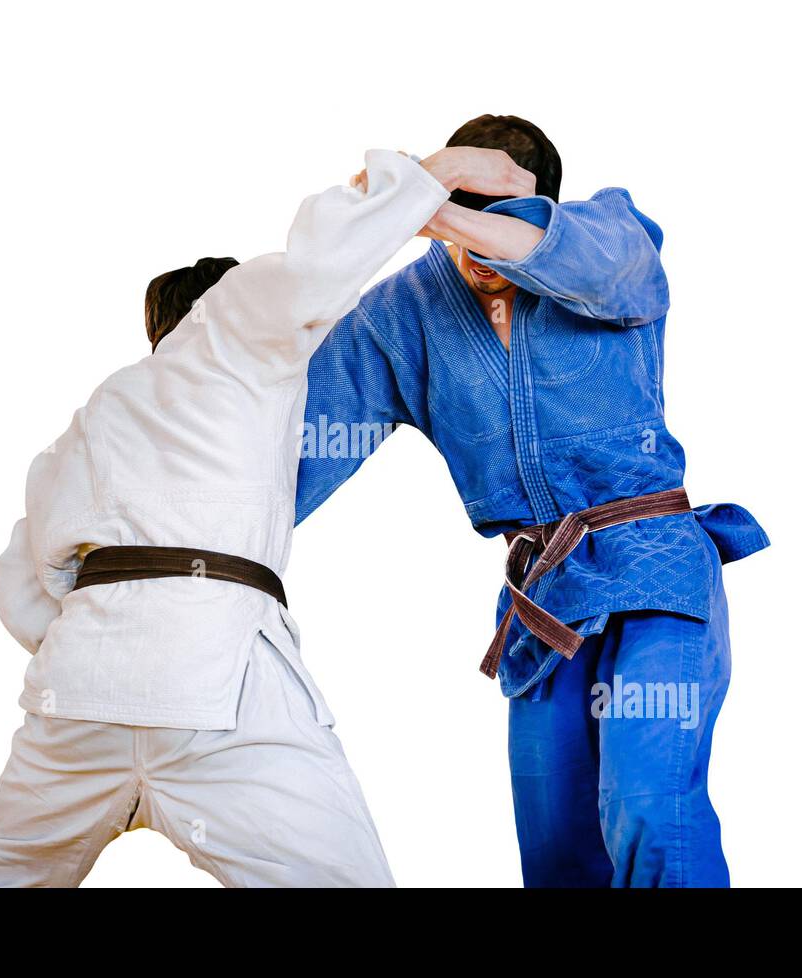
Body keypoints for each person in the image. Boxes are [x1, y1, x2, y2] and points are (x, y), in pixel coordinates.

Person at [0, 145, 533, 887]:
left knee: (2, 877)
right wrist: (438, 173)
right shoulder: (235, 332)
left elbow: (21, 585)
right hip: (214, 676)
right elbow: (313, 271)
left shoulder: (91, 420)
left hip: (78, 692)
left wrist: (106, 642)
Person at [296, 115, 770, 887]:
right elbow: (292, 452)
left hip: (656, 573)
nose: (480, 251)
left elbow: (559, 250)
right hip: (545, 604)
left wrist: (423, 203)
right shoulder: (402, 313)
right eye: (463, 211)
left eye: (503, 216)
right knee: (558, 855)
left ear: (545, 209)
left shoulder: (611, 239)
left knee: (649, 804)